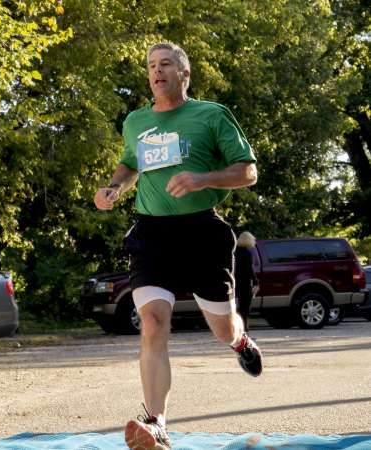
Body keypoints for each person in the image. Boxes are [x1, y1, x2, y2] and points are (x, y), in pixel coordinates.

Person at [94, 42, 263, 450]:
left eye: (166, 64)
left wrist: (203, 179)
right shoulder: (135, 121)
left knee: (222, 329)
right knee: (152, 324)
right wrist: (115, 187)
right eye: (151, 65)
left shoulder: (211, 115)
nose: (157, 71)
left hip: (202, 231)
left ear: (184, 74)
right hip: (151, 233)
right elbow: (130, 162)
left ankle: (241, 342)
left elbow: (248, 172)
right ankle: (157, 425)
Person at [235, 231, 259, 332]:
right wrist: (256, 282)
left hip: (236, 282)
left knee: (240, 307)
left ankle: (240, 329)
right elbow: (249, 270)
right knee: (245, 308)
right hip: (245, 283)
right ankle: (244, 329)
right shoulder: (247, 253)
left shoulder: (234, 251)